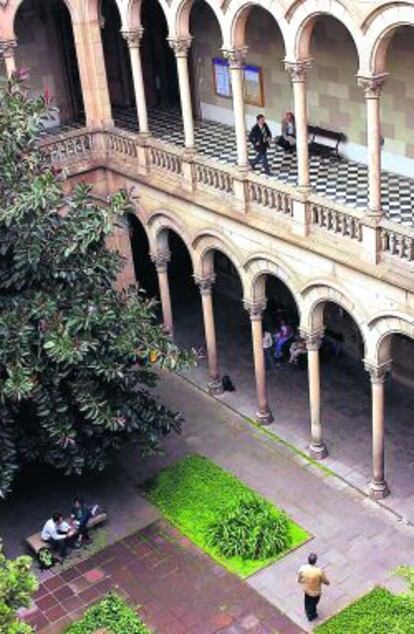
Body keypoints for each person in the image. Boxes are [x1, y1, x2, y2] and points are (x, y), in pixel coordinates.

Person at [298, 553, 330, 622]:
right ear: (315, 561)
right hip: (316, 591)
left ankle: (307, 611)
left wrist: (303, 581)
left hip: (307, 590)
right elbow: (325, 581)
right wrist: (327, 583)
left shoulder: (302, 568)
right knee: (314, 602)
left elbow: (299, 579)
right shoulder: (319, 571)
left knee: (307, 601)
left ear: (308, 560)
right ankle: (311, 615)